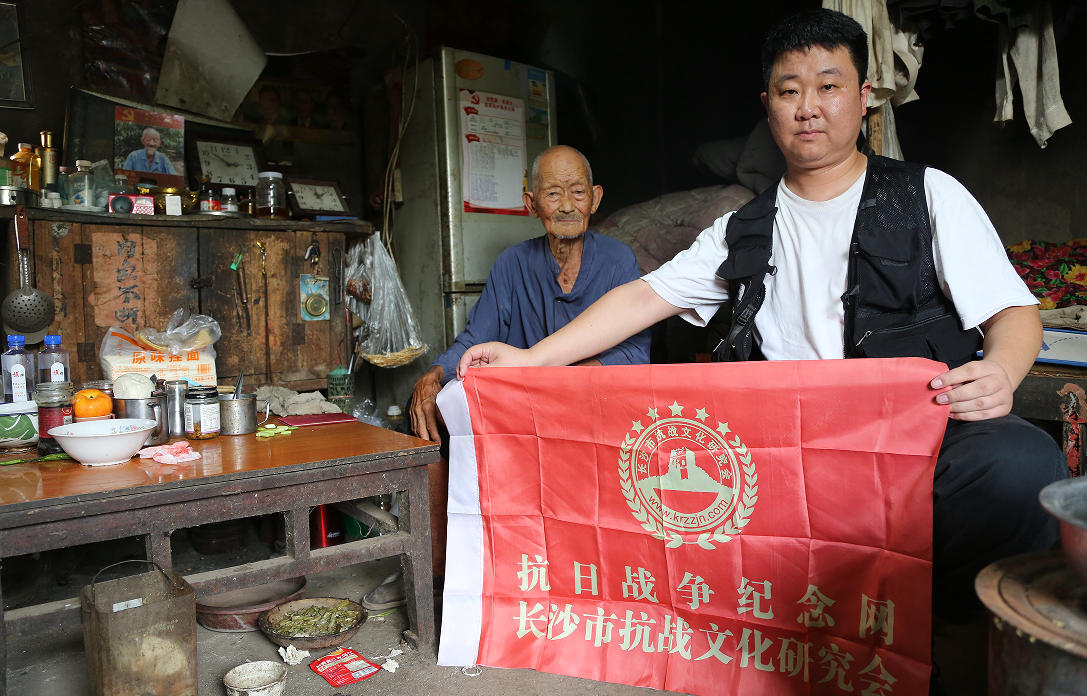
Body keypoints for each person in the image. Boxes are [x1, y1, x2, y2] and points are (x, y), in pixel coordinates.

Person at [457, 8, 1067, 630]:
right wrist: (530, 359)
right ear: (768, 106)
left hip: (912, 435)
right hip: (789, 450)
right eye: (789, 90)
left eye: (828, 86)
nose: (808, 107)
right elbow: (643, 298)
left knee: (1018, 463)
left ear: (863, 99)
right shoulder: (743, 227)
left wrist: (1000, 371)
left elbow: (1014, 312)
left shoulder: (928, 194)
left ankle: (916, 633)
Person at [361, 144, 651, 611]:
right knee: (434, 426)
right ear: (531, 203)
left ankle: (588, 581)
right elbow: (477, 336)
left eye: (577, 192)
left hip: (591, 410)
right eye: (553, 194)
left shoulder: (619, 261)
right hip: (524, 413)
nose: (567, 205)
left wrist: (561, 381)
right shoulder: (513, 264)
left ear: (596, 198)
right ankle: (434, 572)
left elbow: (634, 355)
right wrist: (434, 375)